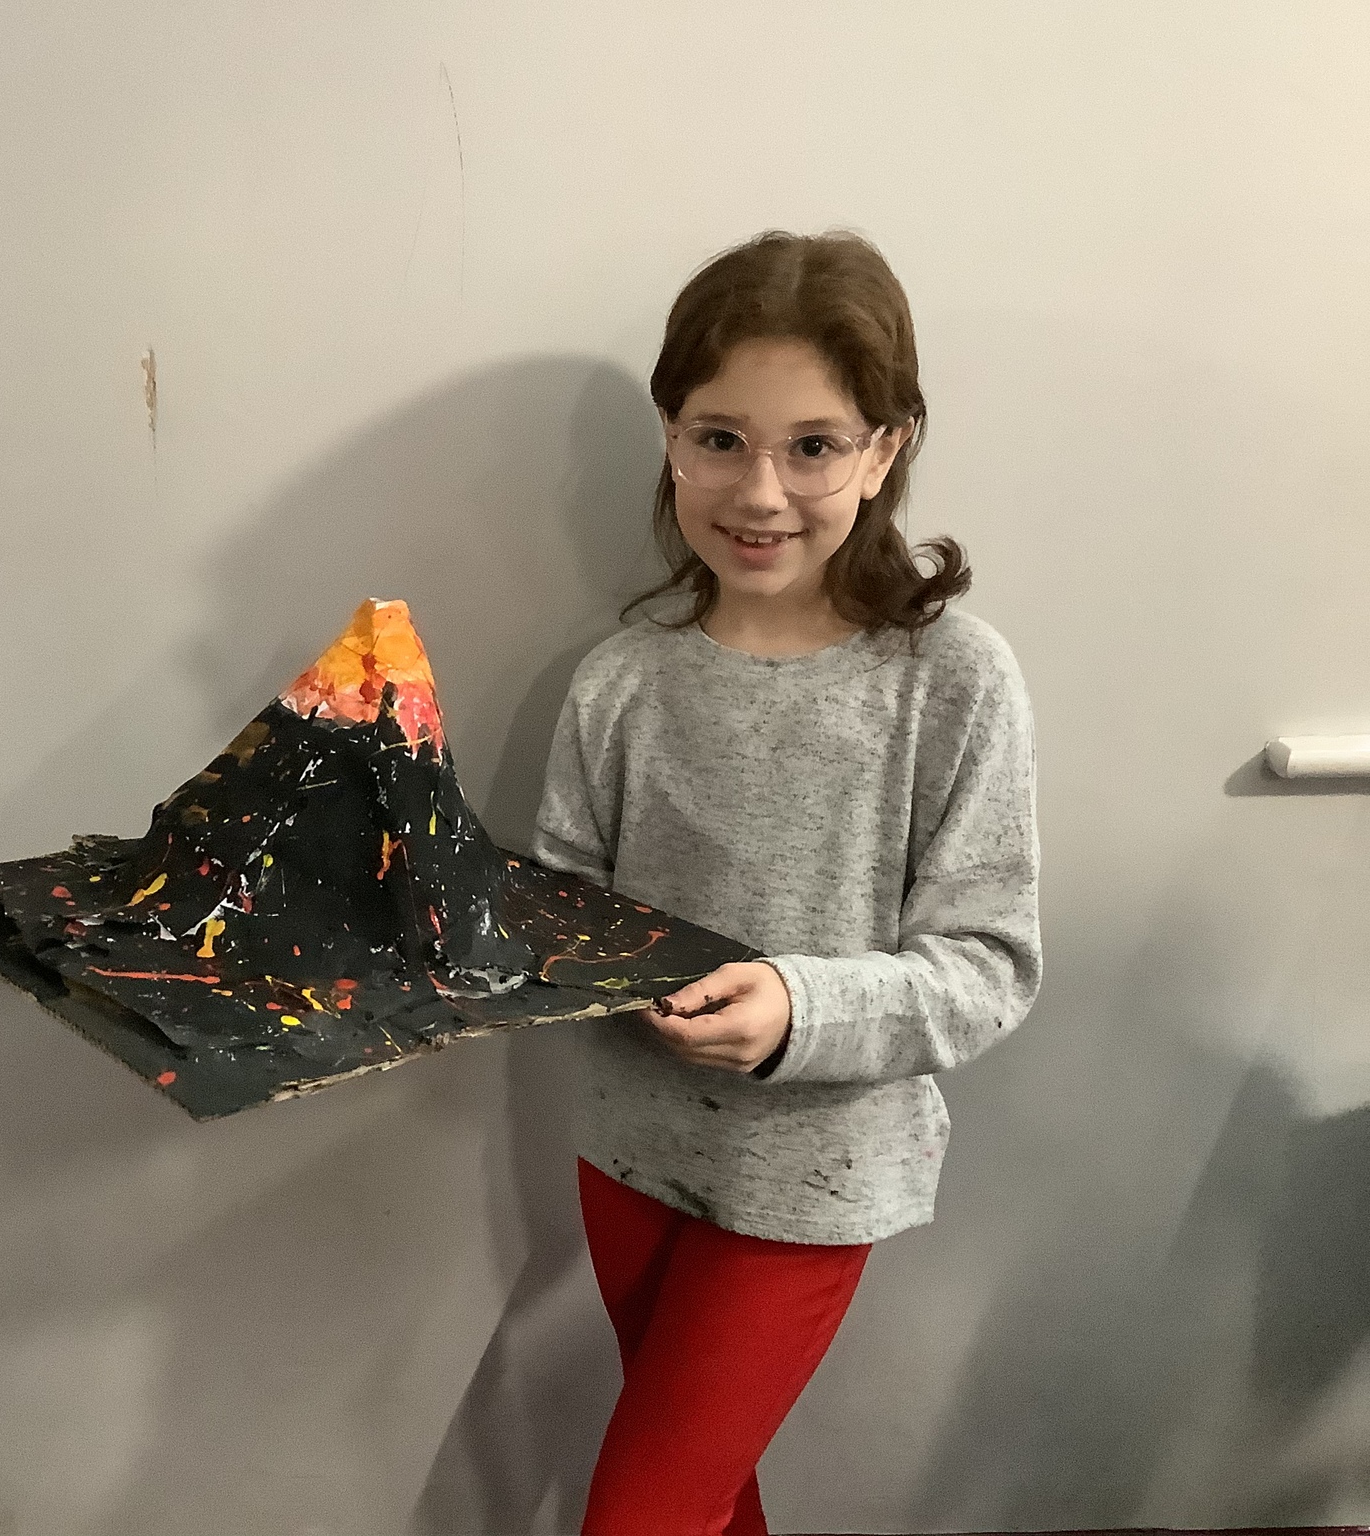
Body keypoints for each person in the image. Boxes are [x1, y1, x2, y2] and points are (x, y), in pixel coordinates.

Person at [532, 229, 1041, 1535]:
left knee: (641, 1516)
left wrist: (796, 1007)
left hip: (816, 1177)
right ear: (671, 437)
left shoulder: (951, 682)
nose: (760, 491)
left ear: (885, 448)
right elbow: (565, 902)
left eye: (813, 445)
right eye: (722, 439)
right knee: (708, 1497)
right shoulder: (619, 680)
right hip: (628, 1151)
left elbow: (988, 966)